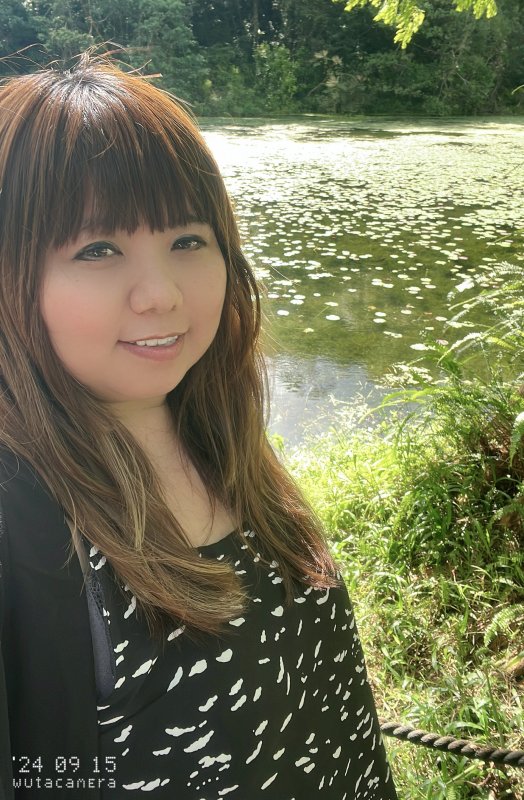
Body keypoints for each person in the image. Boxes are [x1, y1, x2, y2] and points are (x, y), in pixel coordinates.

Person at [0, 54, 397, 800]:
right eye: (97, 249)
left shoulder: (214, 429)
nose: (161, 295)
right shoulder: (20, 521)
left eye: (187, 240)